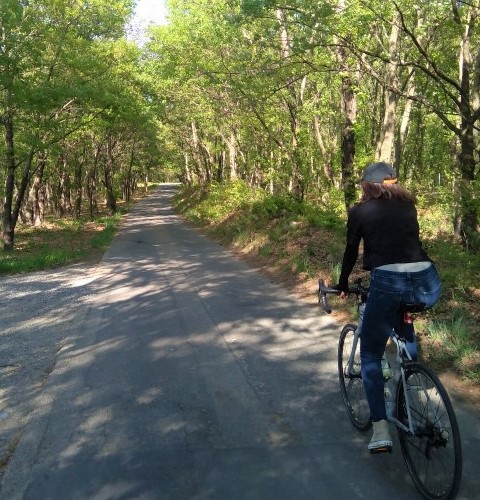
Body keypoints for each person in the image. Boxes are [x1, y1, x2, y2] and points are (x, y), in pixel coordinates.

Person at [334, 161, 442, 453]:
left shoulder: (359, 211)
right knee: (402, 316)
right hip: (428, 282)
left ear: (367, 185)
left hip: (389, 280)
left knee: (370, 353)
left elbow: (350, 250)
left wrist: (342, 283)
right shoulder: (408, 207)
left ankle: (380, 428)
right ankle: (411, 378)